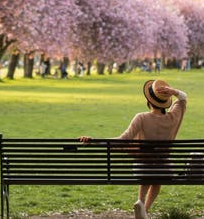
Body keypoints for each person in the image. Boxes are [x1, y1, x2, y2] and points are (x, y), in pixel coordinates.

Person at [79, 79, 188, 219]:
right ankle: (145, 210)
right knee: (157, 177)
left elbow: (122, 140)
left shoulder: (141, 117)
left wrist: (94, 141)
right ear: (165, 103)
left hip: (142, 168)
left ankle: (141, 201)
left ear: (148, 102)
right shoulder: (173, 117)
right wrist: (173, 92)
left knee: (147, 167)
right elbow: (183, 98)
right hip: (164, 169)